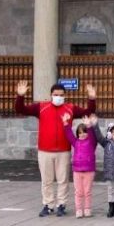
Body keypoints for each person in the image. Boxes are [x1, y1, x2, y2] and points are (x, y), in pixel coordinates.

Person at [15, 81, 97, 217]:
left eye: (61, 95)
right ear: (51, 95)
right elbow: (21, 110)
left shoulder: (70, 108)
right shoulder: (41, 107)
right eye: (56, 95)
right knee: (46, 180)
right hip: (45, 151)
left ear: (65, 96)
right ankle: (48, 205)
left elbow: (87, 112)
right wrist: (20, 96)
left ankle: (61, 205)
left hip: (63, 151)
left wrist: (92, 99)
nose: (58, 97)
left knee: (62, 180)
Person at [62, 114, 97, 218]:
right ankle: (78, 210)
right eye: (80, 133)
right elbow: (69, 134)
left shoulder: (91, 142)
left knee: (87, 192)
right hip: (77, 170)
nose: (82, 134)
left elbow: (92, 135)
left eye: (84, 132)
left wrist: (89, 126)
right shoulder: (75, 142)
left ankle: (87, 209)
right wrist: (65, 123)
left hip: (89, 170)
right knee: (78, 192)